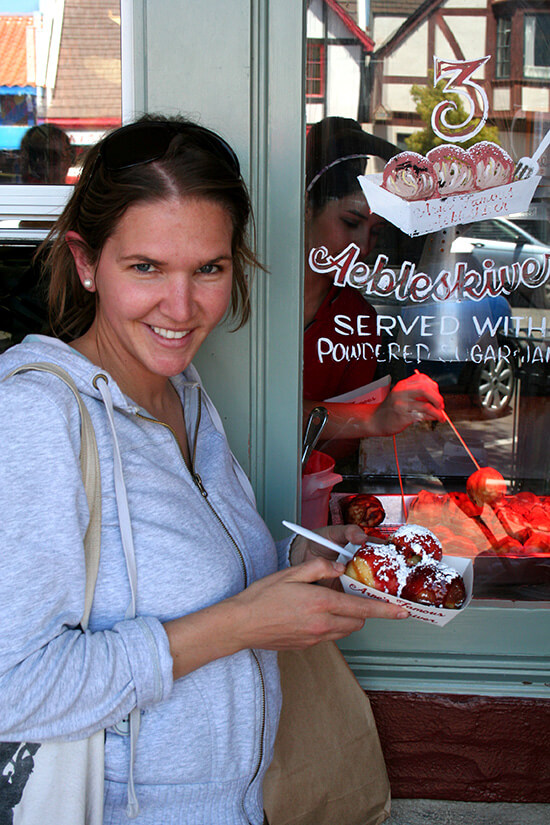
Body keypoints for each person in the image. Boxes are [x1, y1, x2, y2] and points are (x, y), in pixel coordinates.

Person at [0, 115, 408, 825]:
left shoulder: (182, 392)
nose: (182, 309)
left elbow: (184, 571)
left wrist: (299, 562)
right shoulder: (37, 415)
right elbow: (14, 687)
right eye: (146, 267)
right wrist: (243, 623)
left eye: (209, 269)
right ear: (87, 260)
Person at [304, 117, 445, 454]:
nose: (364, 246)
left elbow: (341, 449)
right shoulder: (254, 300)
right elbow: (255, 411)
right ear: (306, 210)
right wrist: (373, 418)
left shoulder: (359, 318)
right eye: (350, 222)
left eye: (376, 232)